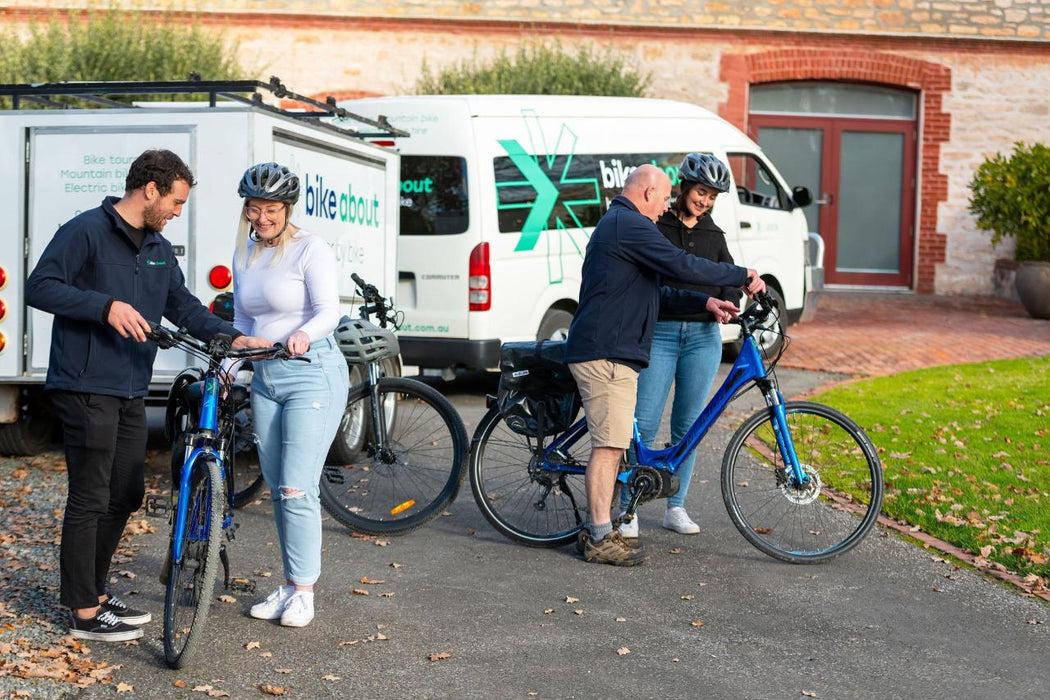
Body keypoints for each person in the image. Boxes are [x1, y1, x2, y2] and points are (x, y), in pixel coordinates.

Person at [25, 149, 269, 642]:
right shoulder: (87, 230)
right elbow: (40, 287)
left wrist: (231, 337)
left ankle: (92, 591)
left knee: (128, 492)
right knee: (91, 495)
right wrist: (105, 306)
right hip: (85, 382)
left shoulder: (157, 246)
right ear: (150, 190)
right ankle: (82, 611)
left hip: (133, 386)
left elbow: (181, 304)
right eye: (176, 202)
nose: (179, 212)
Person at [564, 164, 765, 566]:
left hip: (614, 348)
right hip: (607, 351)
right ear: (648, 192)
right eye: (663, 198)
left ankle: (609, 525)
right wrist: (742, 273)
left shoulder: (623, 224)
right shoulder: (630, 224)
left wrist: (705, 301)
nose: (664, 209)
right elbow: (683, 266)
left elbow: (663, 289)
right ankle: (601, 534)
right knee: (610, 447)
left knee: (617, 441)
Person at [231, 163, 350, 628]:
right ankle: (290, 581)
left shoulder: (309, 248)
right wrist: (229, 361)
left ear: (287, 208)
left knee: (298, 487)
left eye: (272, 209)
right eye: (254, 209)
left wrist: (301, 334)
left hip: (310, 373)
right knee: (279, 489)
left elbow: (328, 312)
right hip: (265, 379)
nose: (262, 218)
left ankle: (305, 593)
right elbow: (243, 321)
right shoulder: (246, 254)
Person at [618, 153, 741, 539]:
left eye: (712, 197)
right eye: (701, 192)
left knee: (689, 425)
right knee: (645, 421)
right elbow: (654, 286)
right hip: (662, 334)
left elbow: (729, 280)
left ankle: (676, 505)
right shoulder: (657, 225)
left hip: (703, 340)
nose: (705, 201)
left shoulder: (714, 235)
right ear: (685, 186)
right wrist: (704, 298)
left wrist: (731, 299)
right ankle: (628, 508)